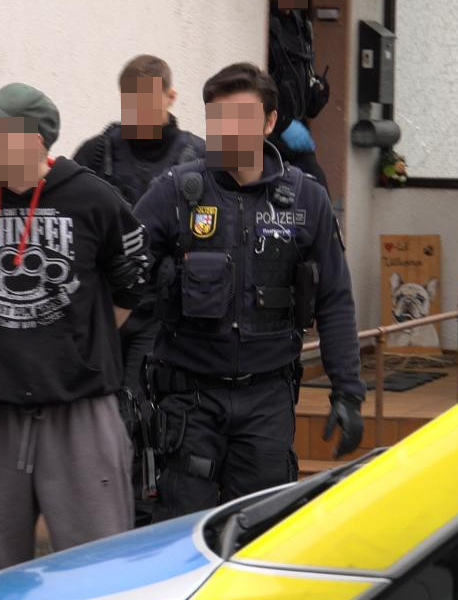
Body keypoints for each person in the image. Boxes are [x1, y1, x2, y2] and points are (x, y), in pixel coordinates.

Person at [134, 62, 364, 520]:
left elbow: (335, 299)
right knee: (181, 530)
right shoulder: (175, 193)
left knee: (261, 528)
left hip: (267, 401)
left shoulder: (306, 199)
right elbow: (121, 273)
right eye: (218, 119)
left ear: (269, 121)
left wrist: (347, 391)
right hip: (189, 400)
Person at [0, 82, 148, 581]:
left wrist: (77, 348)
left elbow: (132, 284)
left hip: (80, 410)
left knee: (96, 570)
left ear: (32, 140)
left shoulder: (94, 199)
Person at [72, 54, 204, 527]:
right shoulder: (96, 155)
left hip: (166, 318)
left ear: (171, 96)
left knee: (146, 416)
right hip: (105, 314)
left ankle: (146, 519)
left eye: (150, 101)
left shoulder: (197, 158)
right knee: (103, 422)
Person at [269, 0, 331, 191]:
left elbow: (301, 79)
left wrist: (317, 94)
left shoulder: (300, 27)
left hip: (294, 136)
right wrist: (283, 124)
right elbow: (252, 84)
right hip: (265, 135)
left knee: (317, 191)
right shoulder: (262, 22)